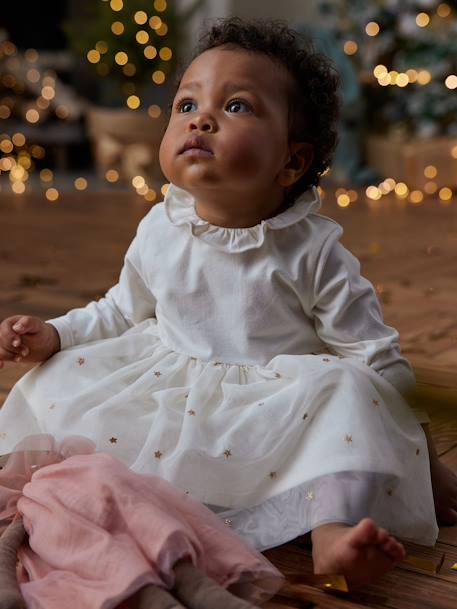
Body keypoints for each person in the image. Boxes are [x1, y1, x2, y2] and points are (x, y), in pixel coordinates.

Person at [0, 17, 455, 588]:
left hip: (276, 406)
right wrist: (56, 334)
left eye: (236, 107)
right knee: (58, 377)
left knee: (351, 391)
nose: (202, 119)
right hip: (170, 388)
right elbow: (121, 309)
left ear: (291, 162)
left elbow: (373, 353)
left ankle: (330, 533)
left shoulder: (312, 250)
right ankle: (128, 497)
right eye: (186, 104)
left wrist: (426, 460)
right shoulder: (159, 227)